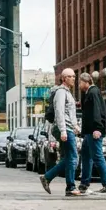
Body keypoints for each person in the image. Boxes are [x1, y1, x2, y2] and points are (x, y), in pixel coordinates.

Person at [39, 68, 82, 196]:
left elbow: (70, 113)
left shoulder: (68, 93)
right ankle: (69, 186)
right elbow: (59, 112)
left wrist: (75, 126)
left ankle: (50, 179)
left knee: (68, 158)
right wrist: (63, 130)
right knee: (73, 157)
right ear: (64, 78)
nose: (74, 78)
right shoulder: (61, 92)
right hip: (64, 129)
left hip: (69, 128)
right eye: (71, 76)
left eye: (74, 76)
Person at [76, 73, 106, 194]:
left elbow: (97, 110)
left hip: (94, 131)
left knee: (97, 156)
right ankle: (84, 183)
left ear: (86, 82)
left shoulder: (93, 92)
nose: (79, 85)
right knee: (86, 156)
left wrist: (98, 128)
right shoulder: (88, 93)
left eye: (80, 82)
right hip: (88, 132)